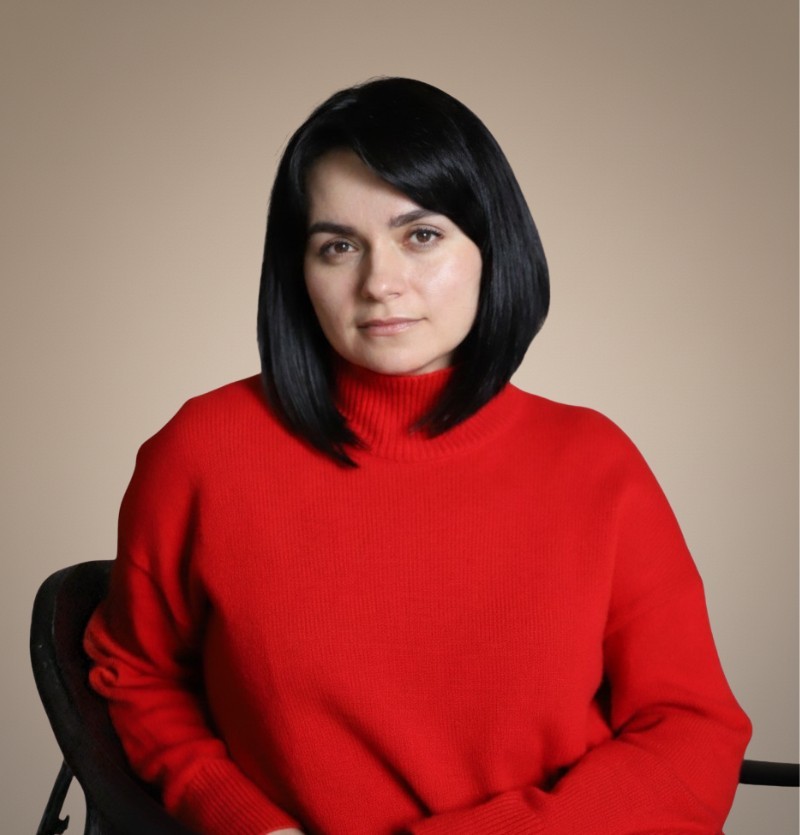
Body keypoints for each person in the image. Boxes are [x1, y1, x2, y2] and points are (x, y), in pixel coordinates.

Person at [84, 77, 751, 835]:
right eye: (338, 246)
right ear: (299, 274)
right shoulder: (203, 451)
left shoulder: (595, 462)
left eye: (421, 235)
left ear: (489, 248)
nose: (380, 283)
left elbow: (691, 727)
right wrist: (245, 822)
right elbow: (135, 675)